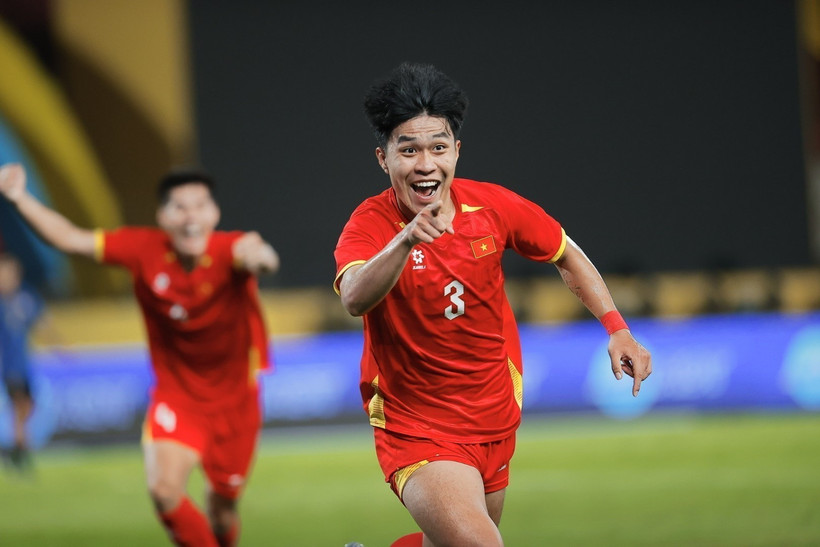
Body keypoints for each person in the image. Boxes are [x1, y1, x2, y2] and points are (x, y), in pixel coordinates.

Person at [334, 63, 652, 547]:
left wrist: (617, 327)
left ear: (456, 151)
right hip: (417, 425)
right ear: (384, 158)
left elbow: (565, 252)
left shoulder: (491, 207)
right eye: (409, 150)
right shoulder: (371, 223)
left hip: (494, 417)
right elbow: (354, 297)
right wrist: (405, 240)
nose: (425, 164)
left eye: (438, 147)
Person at [0, 163, 279, 547]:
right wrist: (19, 198)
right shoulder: (143, 249)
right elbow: (70, 239)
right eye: (180, 207)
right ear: (162, 217)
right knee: (164, 492)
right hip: (177, 398)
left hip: (236, 404)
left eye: (200, 205)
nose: (191, 217)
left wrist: (260, 256)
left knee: (222, 510)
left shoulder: (231, 249)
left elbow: (262, 257)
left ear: (214, 213)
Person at [0, 252, 43, 472]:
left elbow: (41, 322)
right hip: (9, 366)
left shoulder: (26, 297)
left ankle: (18, 447)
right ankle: (20, 448)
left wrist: (60, 346)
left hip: (24, 365)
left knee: (28, 405)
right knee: (19, 405)